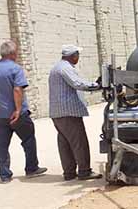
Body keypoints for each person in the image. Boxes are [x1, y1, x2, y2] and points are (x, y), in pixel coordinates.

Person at [49, 45, 102, 181]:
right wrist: (97, 86)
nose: (78, 57)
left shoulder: (57, 67)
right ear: (73, 56)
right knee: (79, 142)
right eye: (77, 55)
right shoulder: (65, 68)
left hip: (58, 113)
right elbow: (77, 83)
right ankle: (84, 171)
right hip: (69, 113)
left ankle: (69, 172)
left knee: (65, 143)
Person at [0, 40, 47, 183]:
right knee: (28, 139)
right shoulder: (15, 69)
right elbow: (18, 89)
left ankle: (5, 175)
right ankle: (31, 169)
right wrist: (18, 110)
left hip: (0, 115)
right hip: (17, 115)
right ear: (13, 54)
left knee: (1, 145)